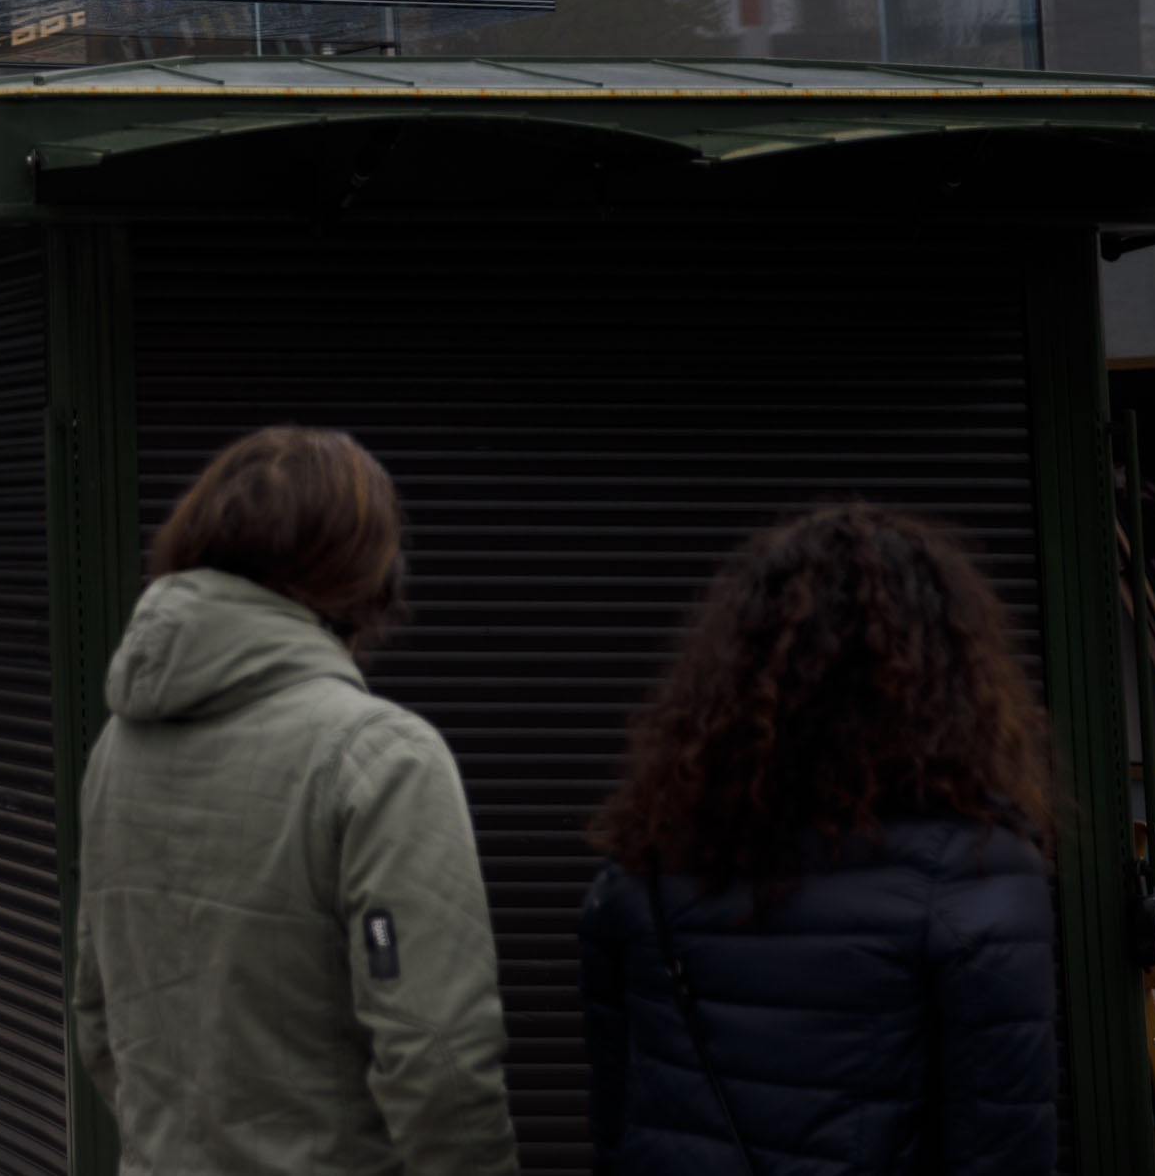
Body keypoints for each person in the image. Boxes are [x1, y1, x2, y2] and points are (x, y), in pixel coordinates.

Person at [71, 426, 514, 1176]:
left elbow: (96, 1016)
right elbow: (437, 1062)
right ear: (363, 571)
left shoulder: (119, 744)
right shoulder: (381, 755)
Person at [582, 502, 1055, 1176]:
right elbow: (1004, 1150)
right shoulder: (977, 872)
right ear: (948, 678)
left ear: (737, 670)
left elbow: (617, 1126)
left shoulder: (645, 866)